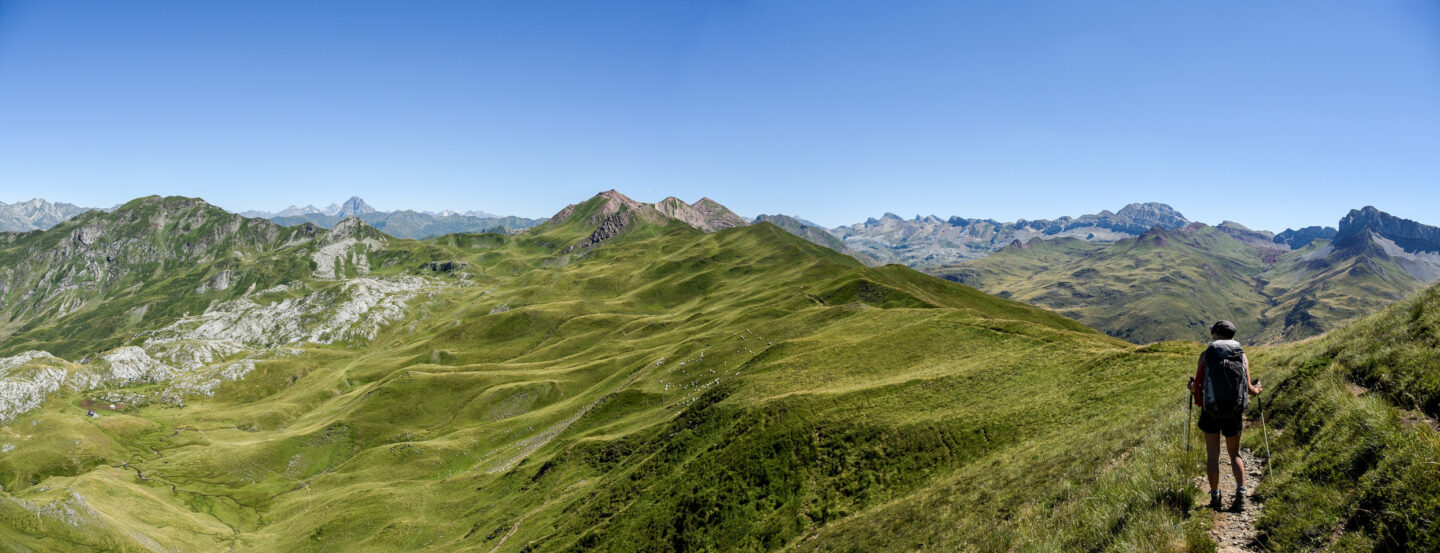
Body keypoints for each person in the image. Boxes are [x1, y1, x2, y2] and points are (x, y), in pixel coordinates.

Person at [1190, 320, 1262, 510]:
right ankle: (1241, 493)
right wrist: (1257, 389)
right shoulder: (1241, 355)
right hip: (1233, 411)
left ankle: (1215, 496)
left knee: (1213, 455)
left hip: (1210, 411)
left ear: (1215, 333)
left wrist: (1191, 387)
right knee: (1235, 453)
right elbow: (1248, 387)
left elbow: (1198, 385)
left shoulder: (1207, 354)